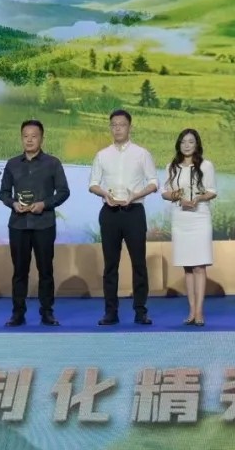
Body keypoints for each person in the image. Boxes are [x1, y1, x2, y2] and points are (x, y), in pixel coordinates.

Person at [89, 109, 159, 326]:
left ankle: (140, 311)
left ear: (130, 127)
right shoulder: (102, 155)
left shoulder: (142, 154)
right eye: (114, 125)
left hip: (134, 212)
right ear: (110, 128)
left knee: (139, 263)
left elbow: (154, 183)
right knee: (110, 265)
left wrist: (135, 195)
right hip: (110, 213)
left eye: (122, 124)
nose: (118, 128)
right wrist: (105, 194)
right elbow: (93, 184)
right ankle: (111, 312)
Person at [0, 120, 71, 327]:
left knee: (45, 270)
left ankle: (47, 312)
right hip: (18, 225)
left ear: (42, 138)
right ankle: (18, 313)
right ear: (21, 138)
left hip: (44, 224)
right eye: (25, 136)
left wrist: (44, 204)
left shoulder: (53, 163)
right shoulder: (12, 164)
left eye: (34, 136)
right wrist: (13, 203)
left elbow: (63, 192)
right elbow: (4, 193)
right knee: (19, 272)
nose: (29, 140)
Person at [161, 129, 216, 326]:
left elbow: (212, 191)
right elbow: (165, 192)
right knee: (188, 266)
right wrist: (177, 197)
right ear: (179, 144)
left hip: (199, 217)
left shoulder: (206, 165)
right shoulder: (171, 167)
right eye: (183, 142)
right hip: (180, 218)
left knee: (199, 265)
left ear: (197, 144)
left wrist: (198, 198)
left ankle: (200, 311)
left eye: (191, 142)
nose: (186, 145)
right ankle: (191, 311)